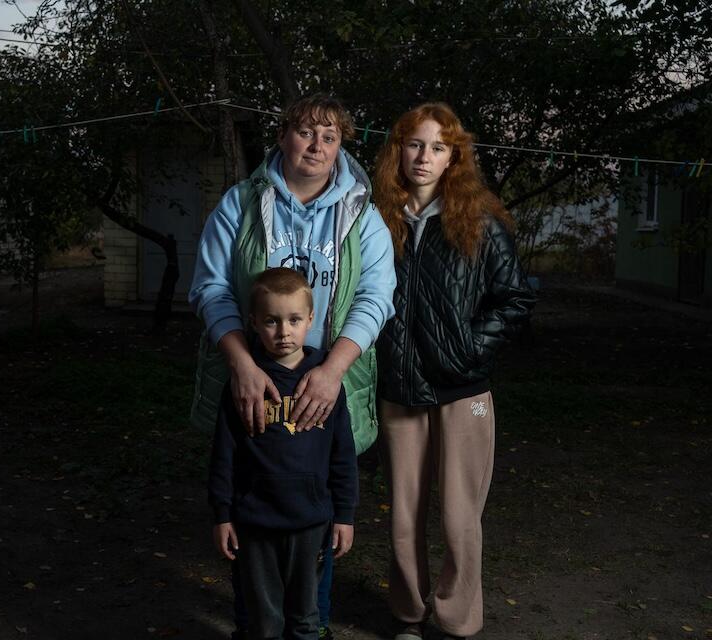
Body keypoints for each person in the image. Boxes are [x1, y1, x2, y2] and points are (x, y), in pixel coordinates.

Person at [189, 93, 395, 638]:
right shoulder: (240, 204)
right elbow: (210, 287)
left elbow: (377, 296)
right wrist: (240, 363)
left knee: (316, 529)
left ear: (340, 146)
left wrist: (331, 372)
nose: (318, 145)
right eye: (306, 132)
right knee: (252, 518)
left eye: (330, 136)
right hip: (256, 382)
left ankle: (310, 626)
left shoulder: (363, 215)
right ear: (283, 136)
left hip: (324, 388)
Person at [371, 103, 536, 640]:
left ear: (453, 159)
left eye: (438, 147)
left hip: (463, 388)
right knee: (403, 516)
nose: (424, 157)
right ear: (398, 150)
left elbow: (514, 299)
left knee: (460, 518)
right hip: (399, 385)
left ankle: (458, 621)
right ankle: (409, 615)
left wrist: (469, 350)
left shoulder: (479, 220)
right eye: (415, 144)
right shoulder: (373, 219)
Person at [208, 267, 358, 640]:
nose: (283, 331)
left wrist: (345, 516)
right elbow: (223, 456)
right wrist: (222, 515)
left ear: (311, 320)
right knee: (263, 624)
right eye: (271, 321)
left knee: (307, 621)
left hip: (311, 522)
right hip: (255, 521)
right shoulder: (245, 384)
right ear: (254, 323)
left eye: (293, 320)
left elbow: (343, 458)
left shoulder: (326, 384)